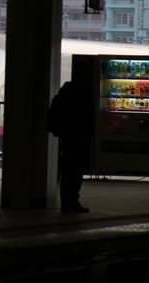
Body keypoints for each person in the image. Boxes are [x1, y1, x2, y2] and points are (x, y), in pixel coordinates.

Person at [49, 60, 94, 213]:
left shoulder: (67, 89)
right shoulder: (85, 91)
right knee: (75, 171)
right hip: (80, 136)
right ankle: (71, 201)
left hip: (68, 135)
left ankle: (67, 201)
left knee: (68, 170)